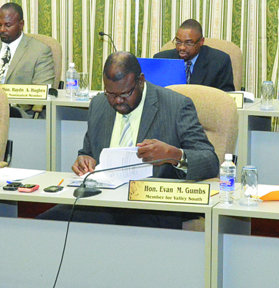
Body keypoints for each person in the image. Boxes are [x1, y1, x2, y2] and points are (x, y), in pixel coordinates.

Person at [38, 51, 219, 228]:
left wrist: (174, 155)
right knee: (46, 225)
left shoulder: (176, 106)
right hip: (102, 200)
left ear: (140, 81)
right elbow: (88, 151)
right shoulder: (99, 104)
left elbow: (210, 161)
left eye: (124, 94)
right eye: (111, 94)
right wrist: (84, 160)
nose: (117, 101)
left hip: (151, 206)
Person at [154, 19, 235, 91]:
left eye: (188, 43)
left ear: (201, 42)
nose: (182, 47)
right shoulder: (161, 59)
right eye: (178, 42)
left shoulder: (219, 61)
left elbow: (226, 97)